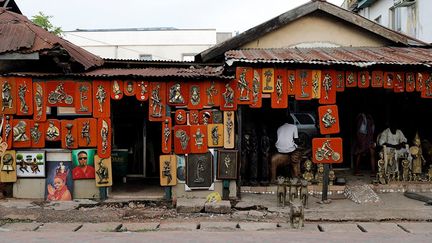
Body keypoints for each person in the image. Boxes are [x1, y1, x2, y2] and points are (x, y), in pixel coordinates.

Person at [271, 114, 301, 181]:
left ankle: (273, 179)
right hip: (290, 149)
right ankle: (297, 177)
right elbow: (296, 139)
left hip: (279, 149)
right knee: (297, 158)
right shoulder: (294, 127)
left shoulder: (279, 128)